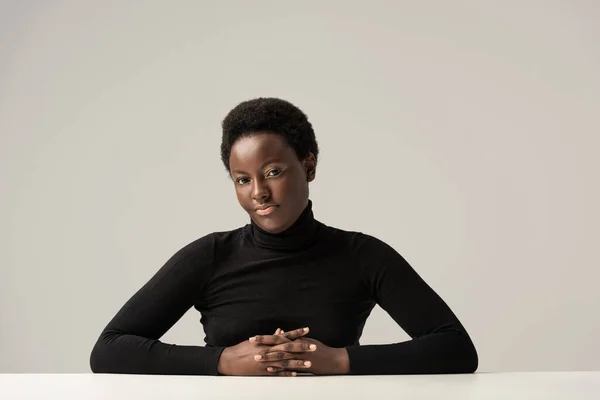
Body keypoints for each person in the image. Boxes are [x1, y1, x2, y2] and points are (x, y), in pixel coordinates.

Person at [89, 97, 478, 376]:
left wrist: (339, 360)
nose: (258, 192)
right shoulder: (210, 255)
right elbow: (108, 350)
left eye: (273, 172)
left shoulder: (362, 255)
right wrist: (222, 361)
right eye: (243, 179)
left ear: (308, 166)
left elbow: (456, 349)